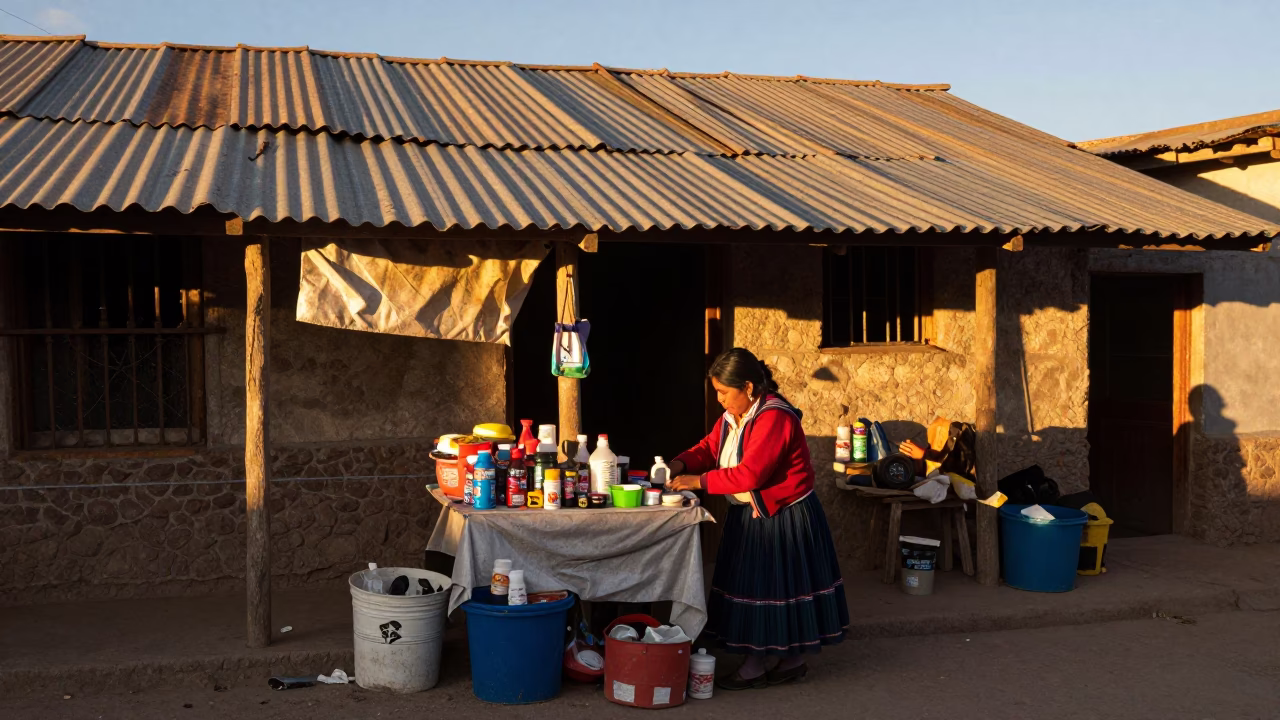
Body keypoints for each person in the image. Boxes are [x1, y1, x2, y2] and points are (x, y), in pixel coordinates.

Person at [666, 347, 849, 690]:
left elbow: (750, 474)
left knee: (771, 587)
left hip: (784, 516)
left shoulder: (774, 416)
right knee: (762, 586)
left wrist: (700, 481)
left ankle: (759, 664)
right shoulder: (735, 415)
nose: (720, 400)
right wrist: (680, 463)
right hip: (753, 514)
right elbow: (710, 447)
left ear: (748, 387)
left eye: (724, 392)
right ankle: (787, 660)